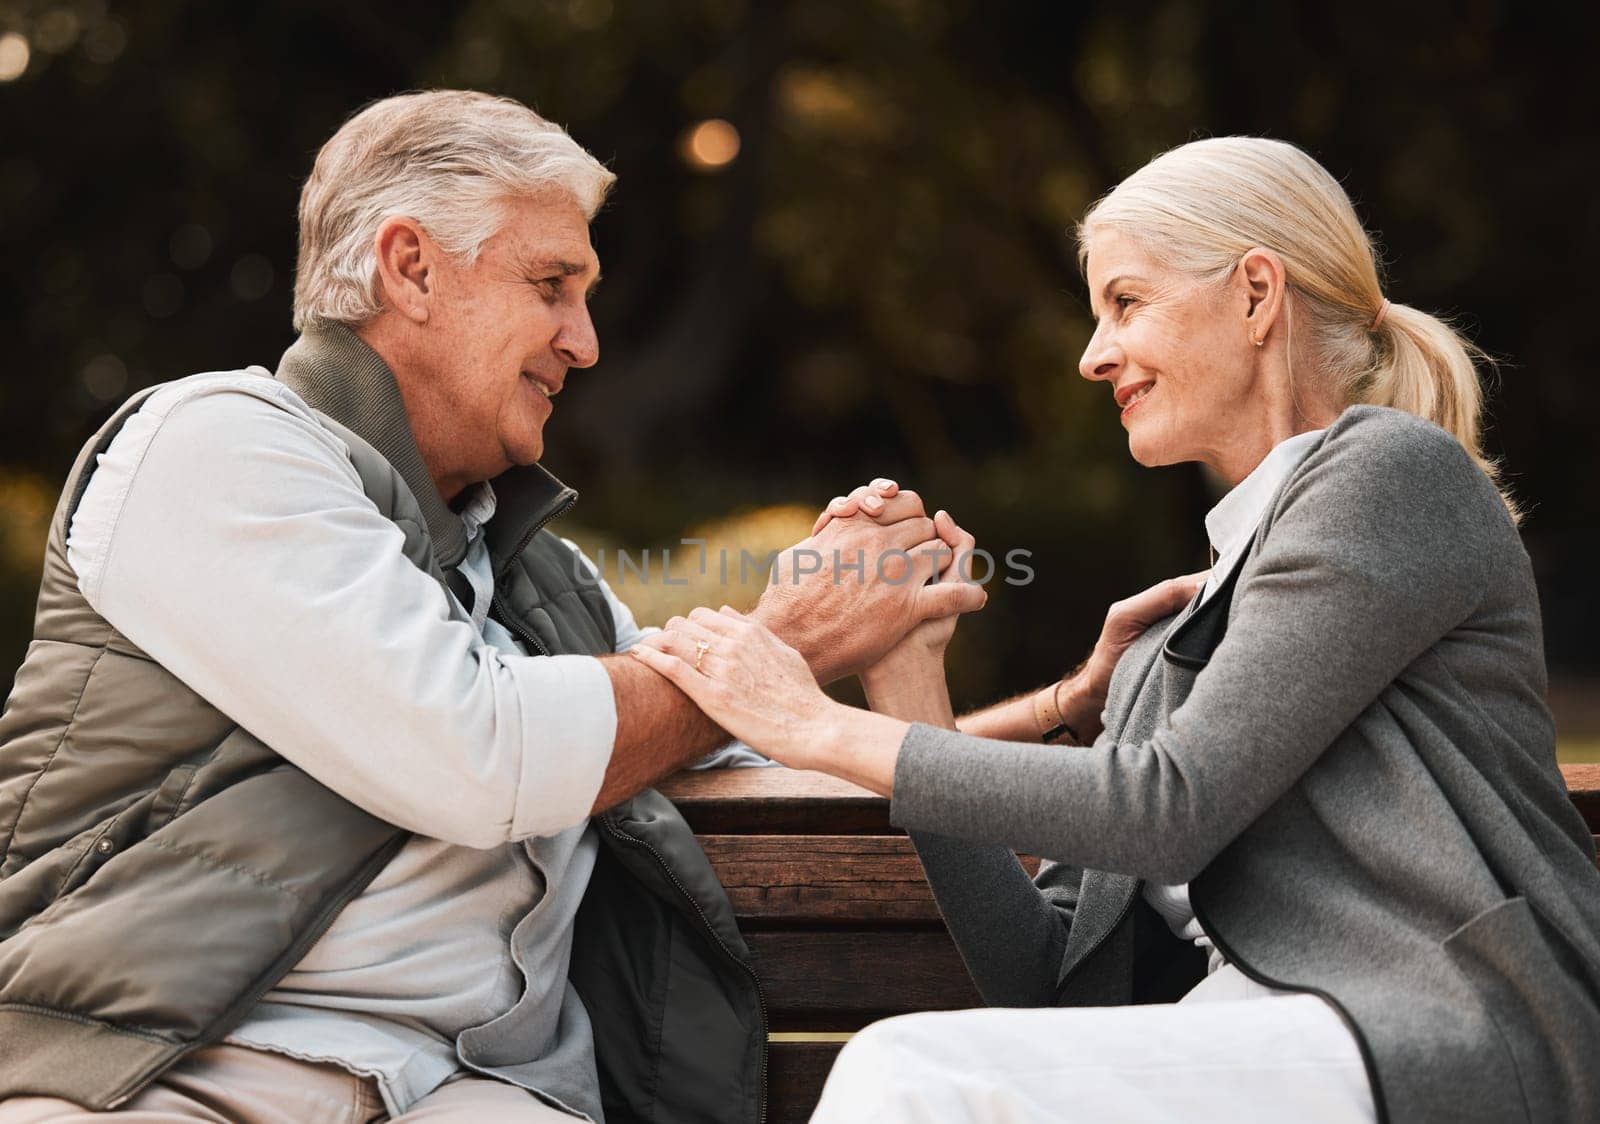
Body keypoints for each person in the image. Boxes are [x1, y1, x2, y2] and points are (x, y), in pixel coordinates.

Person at [0, 90, 995, 1122]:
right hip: (172, 1072)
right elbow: (475, 751)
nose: (587, 342)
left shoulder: (548, 584)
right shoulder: (212, 446)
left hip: (475, 1092)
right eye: (552, 285)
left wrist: (913, 650)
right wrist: (782, 633)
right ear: (410, 268)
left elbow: (778, 758)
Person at [629, 137, 1600, 1123]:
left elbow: (1168, 805)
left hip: (1435, 1040)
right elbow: (1046, 978)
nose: (1092, 357)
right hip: (1252, 1053)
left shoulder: (1390, 475)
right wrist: (906, 678)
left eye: (1125, 303)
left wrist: (811, 725)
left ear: (1256, 294)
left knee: (913, 1075)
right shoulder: (1161, 649)